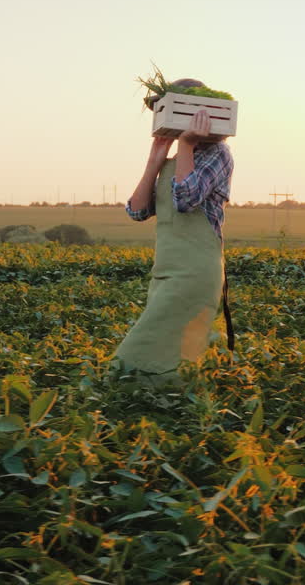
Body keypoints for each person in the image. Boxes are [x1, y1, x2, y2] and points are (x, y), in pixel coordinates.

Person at [114, 78, 234, 382]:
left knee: (138, 352)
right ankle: (164, 410)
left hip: (194, 272)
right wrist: (155, 159)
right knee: (167, 353)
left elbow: (185, 199)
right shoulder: (173, 160)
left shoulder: (218, 155)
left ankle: (128, 401)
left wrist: (187, 144)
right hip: (165, 270)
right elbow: (137, 210)